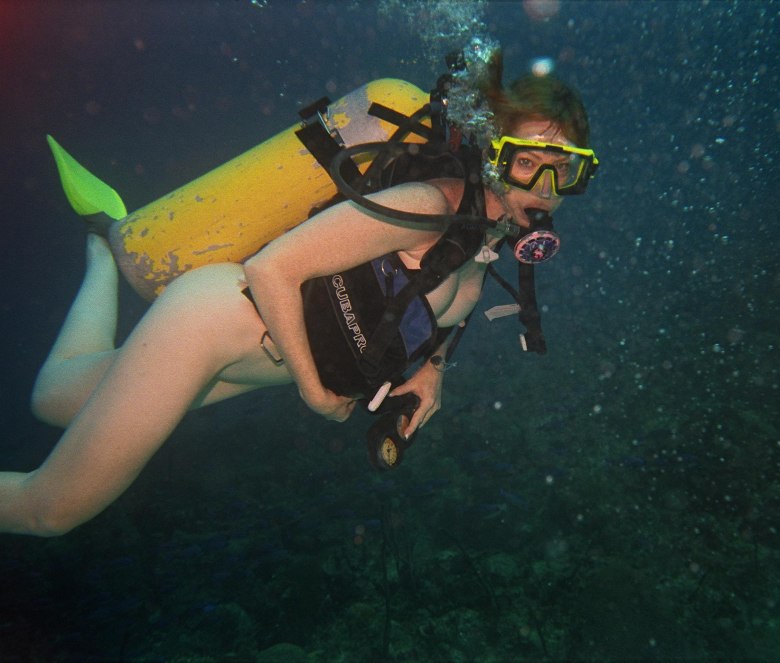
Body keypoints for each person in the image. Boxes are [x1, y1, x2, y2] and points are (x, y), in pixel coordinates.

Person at [0, 54, 597, 536]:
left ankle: (102, 249)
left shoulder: (480, 251)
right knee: (49, 509)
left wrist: (433, 372)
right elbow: (272, 268)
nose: (543, 187)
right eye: (527, 164)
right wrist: (313, 392)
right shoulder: (428, 207)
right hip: (214, 323)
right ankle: (108, 245)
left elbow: (438, 313)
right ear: (495, 156)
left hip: (251, 359)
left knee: (56, 397)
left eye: (562, 170)